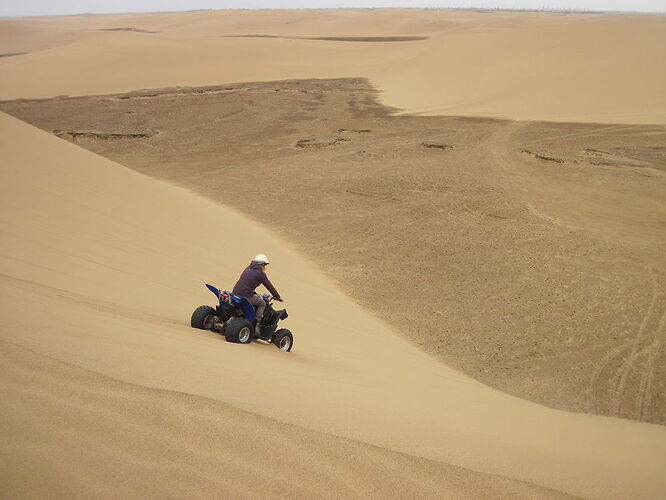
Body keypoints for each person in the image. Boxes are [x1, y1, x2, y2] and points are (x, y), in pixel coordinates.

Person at [232, 254, 283, 326]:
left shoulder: (248, 268)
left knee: (255, 297)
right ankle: (256, 323)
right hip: (246, 295)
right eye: (264, 265)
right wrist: (277, 296)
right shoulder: (260, 273)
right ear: (261, 264)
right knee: (262, 303)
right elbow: (269, 286)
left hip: (235, 292)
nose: (264, 267)